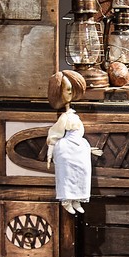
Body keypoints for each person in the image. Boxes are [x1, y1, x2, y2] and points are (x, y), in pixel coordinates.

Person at [46, 70, 101, 215]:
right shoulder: (64, 117)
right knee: (67, 174)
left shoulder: (72, 115)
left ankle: (78, 199)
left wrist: (89, 149)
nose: (70, 93)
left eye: (71, 90)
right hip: (67, 149)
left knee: (82, 172)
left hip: (79, 148)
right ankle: (66, 200)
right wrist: (50, 152)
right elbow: (54, 133)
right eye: (67, 90)